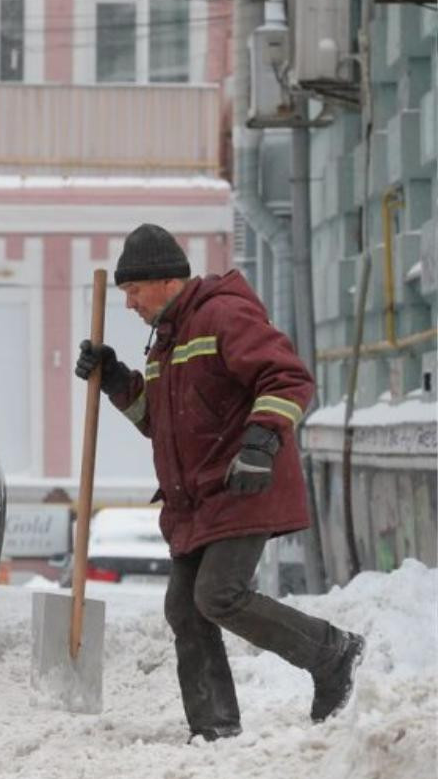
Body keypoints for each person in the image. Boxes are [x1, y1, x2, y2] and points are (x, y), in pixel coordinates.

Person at [75, 223, 365, 741]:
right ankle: (214, 728)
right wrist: (118, 381)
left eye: (133, 291)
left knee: (219, 595)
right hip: (195, 499)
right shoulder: (165, 344)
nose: (129, 304)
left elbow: (287, 378)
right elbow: (160, 422)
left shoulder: (222, 315)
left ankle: (332, 654)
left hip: (240, 484)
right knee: (184, 608)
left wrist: (260, 444)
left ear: (166, 282)